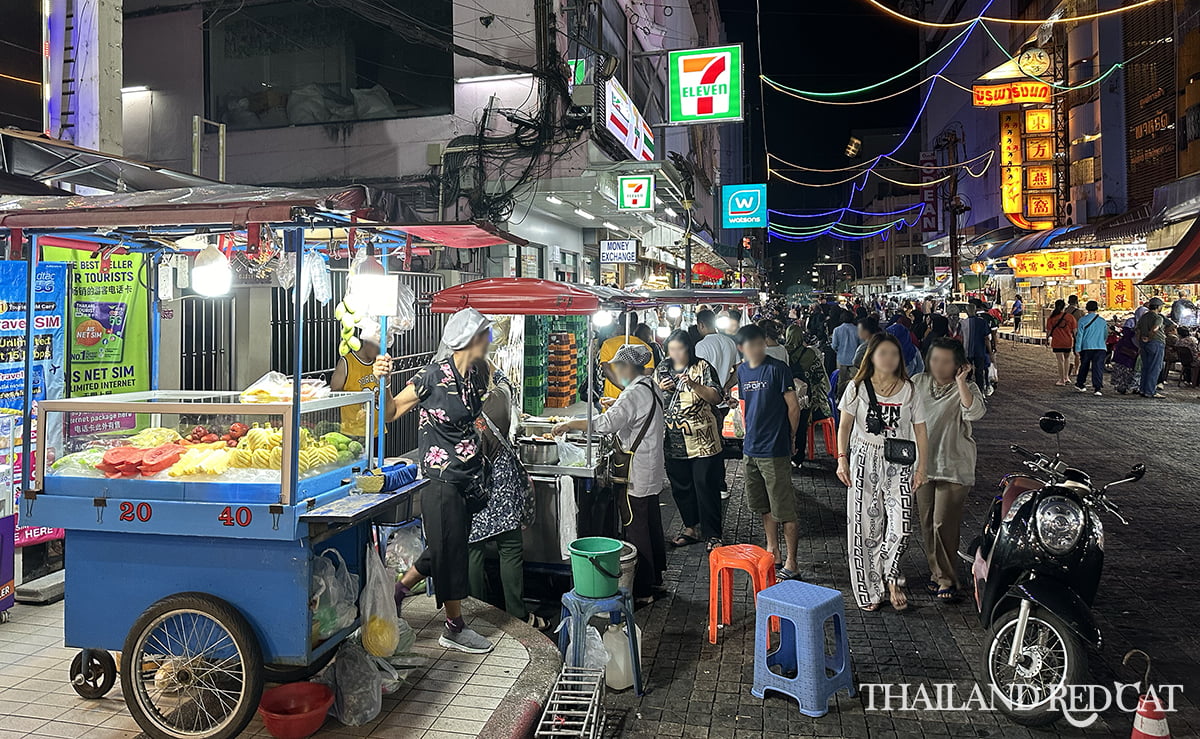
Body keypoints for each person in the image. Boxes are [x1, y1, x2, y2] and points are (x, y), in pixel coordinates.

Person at [375, 308, 495, 653]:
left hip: (468, 478)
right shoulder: (430, 376)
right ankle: (454, 627)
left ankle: (398, 590)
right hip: (439, 479)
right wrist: (381, 379)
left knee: (448, 545)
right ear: (471, 339)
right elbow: (391, 412)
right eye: (486, 333)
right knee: (449, 550)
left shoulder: (477, 374)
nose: (489, 340)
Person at [555, 344, 665, 605]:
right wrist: (617, 403)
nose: (616, 371)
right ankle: (655, 578)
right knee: (650, 523)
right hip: (650, 469)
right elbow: (635, 413)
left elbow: (605, 425)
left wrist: (569, 423)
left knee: (635, 527)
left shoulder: (633, 394)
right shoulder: (650, 386)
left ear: (629, 367)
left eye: (618, 366)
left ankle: (642, 589)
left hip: (635, 472)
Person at [836, 334, 929, 611]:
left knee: (900, 527)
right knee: (865, 528)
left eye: (894, 354)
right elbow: (844, 426)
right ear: (871, 356)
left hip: (899, 462)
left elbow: (921, 429)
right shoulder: (857, 388)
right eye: (882, 353)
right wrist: (842, 459)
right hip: (864, 459)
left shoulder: (910, 390)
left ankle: (890, 574)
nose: (888, 359)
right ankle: (870, 590)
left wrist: (922, 466)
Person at [467, 364, 545, 630]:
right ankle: (518, 613)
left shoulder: (456, 403)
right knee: (509, 548)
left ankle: (477, 614)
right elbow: (505, 380)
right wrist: (486, 358)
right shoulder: (499, 397)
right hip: (502, 483)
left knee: (473, 548)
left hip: (472, 482)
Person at [912, 338, 985, 603]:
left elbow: (974, 411)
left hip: (954, 466)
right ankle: (938, 573)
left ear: (958, 365)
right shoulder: (918, 382)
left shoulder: (966, 388)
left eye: (946, 361)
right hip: (923, 465)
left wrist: (962, 381)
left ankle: (948, 578)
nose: (939, 366)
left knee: (944, 524)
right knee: (927, 522)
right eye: (935, 359)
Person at [735, 324, 803, 580]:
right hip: (750, 447)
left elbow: (793, 407)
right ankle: (771, 549)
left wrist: (791, 437)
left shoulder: (778, 368)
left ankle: (792, 562)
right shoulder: (742, 370)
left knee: (784, 507)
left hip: (774, 448)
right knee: (763, 504)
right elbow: (744, 404)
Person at [658, 331, 726, 551]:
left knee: (706, 487)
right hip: (673, 441)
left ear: (689, 349)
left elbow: (717, 397)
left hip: (703, 441)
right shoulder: (663, 368)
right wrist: (660, 388)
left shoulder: (703, 367)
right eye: (672, 349)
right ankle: (691, 528)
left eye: (680, 349)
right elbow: (653, 395)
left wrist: (695, 385)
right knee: (681, 487)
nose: (675, 354)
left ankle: (713, 534)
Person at [785, 324, 832, 466]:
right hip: (805, 398)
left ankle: (784, 454)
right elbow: (820, 378)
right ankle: (798, 457)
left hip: (785, 396)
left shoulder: (782, 352)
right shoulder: (810, 354)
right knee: (801, 426)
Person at [330, 328, 384, 440]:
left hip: (378, 429)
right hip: (354, 431)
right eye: (378, 348)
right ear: (367, 342)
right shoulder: (347, 362)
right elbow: (334, 392)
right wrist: (360, 397)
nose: (380, 352)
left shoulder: (378, 364)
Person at [598, 313, 656, 400]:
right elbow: (648, 371)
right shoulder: (646, 347)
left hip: (612, 397)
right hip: (636, 396)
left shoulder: (607, 344)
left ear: (619, 325)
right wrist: (631, 388)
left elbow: (606, 370)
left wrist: (623, 387)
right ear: (636, 326)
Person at [1073, 300, 1107, 395]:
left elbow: (1079, 335)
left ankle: (1080, 383)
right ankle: (1097, 388)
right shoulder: (1102, 321)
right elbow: (1105, 335)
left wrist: (1077, 348)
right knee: (1098, 367)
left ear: (1087, 309)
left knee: (1084, 366)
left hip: (1086, 347)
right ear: (1097, 308)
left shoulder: (1082, 320)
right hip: (1100, 347)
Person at [960, 301, 994, 395]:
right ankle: (980, 392)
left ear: (966, 312)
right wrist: (990, 352)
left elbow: (961, 339)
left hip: (966, 351)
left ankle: (967, 392)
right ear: (975, 311)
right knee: (979, 372)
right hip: (980, 351)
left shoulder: (963, 323)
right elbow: (987, 338)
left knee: (967, 373)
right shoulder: (982, 322)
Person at [1137, 297, 1168, 399]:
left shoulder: (1143, 317)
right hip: (1156, 343)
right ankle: (1150, 391)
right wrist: (1149, 338)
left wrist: (1141, 342)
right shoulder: (1158, 318)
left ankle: (1143, 389)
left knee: (1145, 367)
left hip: (1143, 344)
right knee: (1155, 368)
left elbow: (1138, 331)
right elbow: (1155, 328)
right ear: (1158, 307)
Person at [1045, 299, 1077, 386]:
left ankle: (1061, 379)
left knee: (1060, 360)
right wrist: (1076, 340)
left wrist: (1046, 339)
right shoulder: (1070, 317)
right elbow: (1074, 331)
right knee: (1067, 359)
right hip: (1068, 341)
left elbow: (1048, 331)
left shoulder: (1051, 318)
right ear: (1064, 307)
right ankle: (1066, 377)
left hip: (1057, 341)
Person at [831, 310, 862, 402]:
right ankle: (854, 399)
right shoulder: (857, 330)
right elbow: (861, 346)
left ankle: (840, 398)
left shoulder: (837, 330)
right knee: (855, 381)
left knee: (841, 381)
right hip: (854, 360)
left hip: (841, 359)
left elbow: (834, 346)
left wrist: (839, 351)